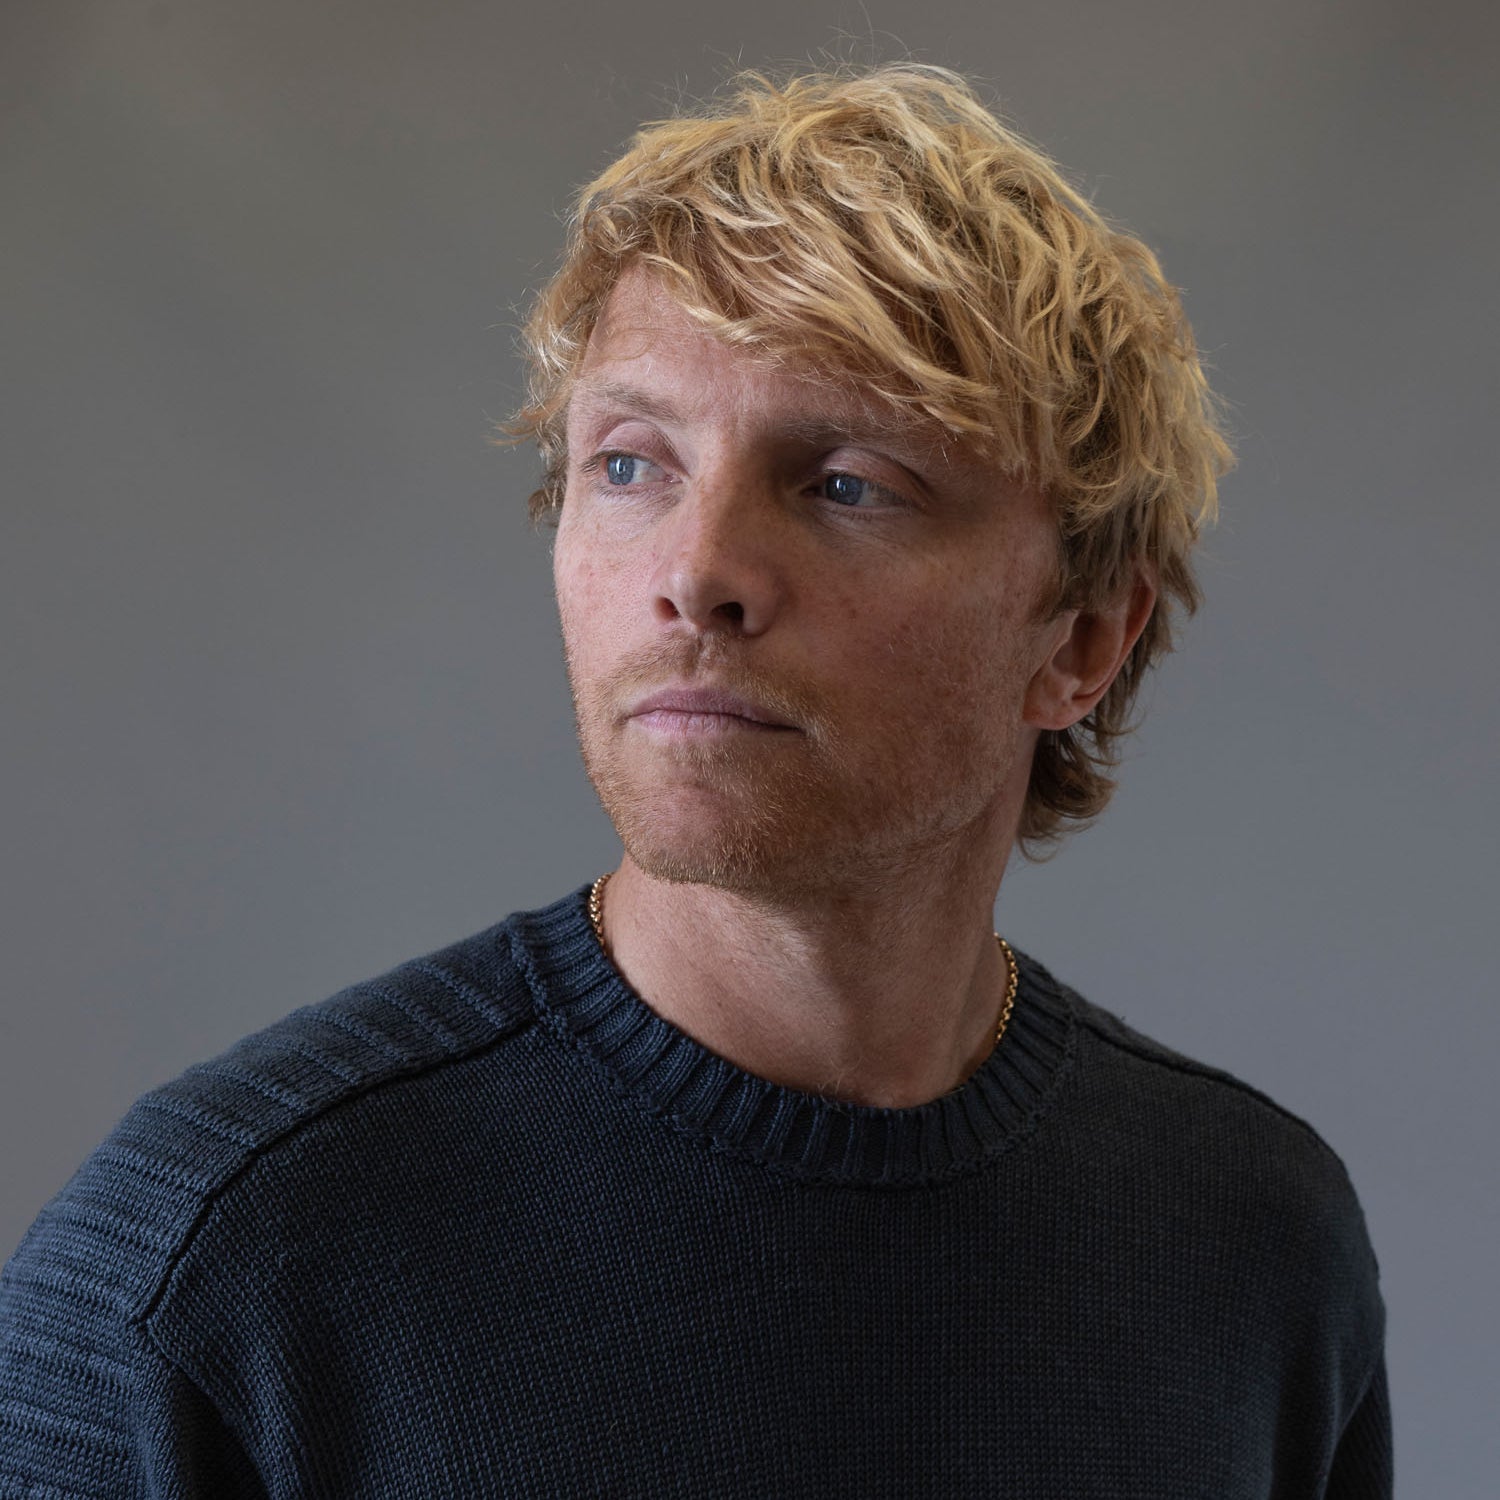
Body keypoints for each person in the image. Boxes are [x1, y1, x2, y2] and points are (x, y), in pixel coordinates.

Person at [0, 65, 1389, 1497]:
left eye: (847, 483)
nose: (698, 571)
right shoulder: (212, 1268)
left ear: (1084, 640)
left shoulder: (1256, 1245)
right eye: (629, 465)